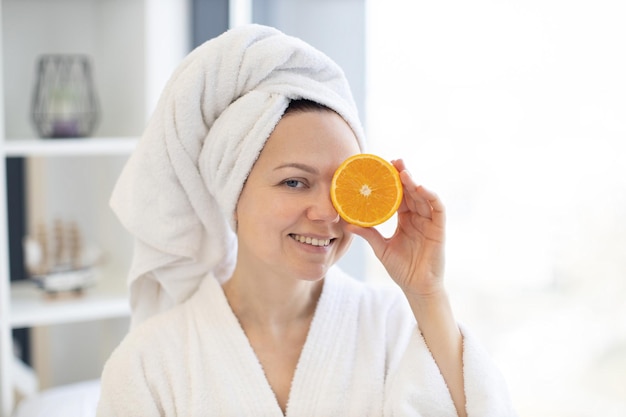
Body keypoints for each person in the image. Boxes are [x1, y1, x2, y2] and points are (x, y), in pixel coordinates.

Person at [97, 24, 517, 416]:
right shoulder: (148, 363)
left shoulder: (392, 324)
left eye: (343, 188)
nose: (328, 213)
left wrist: (428, 293)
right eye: (295, 182)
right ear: (233, 193)